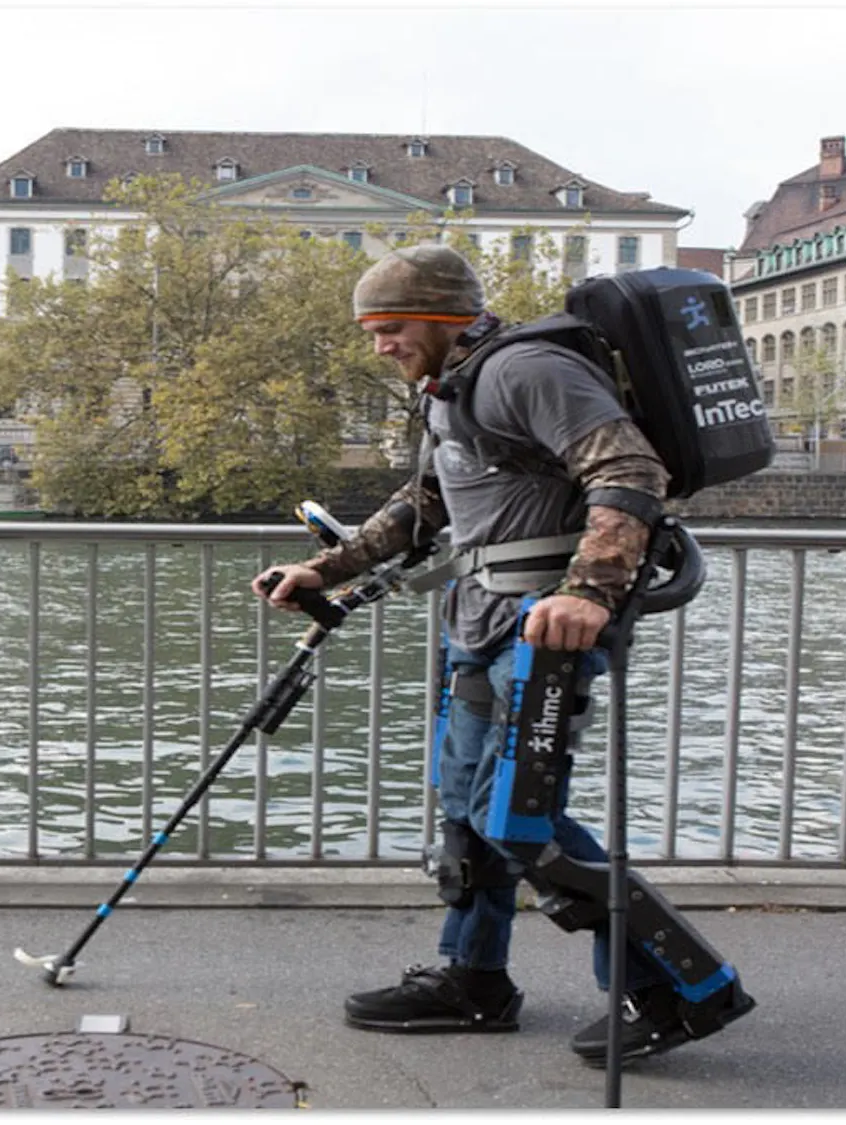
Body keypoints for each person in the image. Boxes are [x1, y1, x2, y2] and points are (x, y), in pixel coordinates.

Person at [252, 244, 729, 1064]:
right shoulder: (454, 391)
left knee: (520, 821)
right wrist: (323, 568)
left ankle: (682, 986)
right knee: (465, 816)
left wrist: (589, 591)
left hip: (544, 630)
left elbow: (629, 466)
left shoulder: (525, 371)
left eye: (391, 328)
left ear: (442, 318)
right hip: (479, 623)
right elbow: (428, 502)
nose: (380, 346)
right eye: (371, 331)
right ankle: (473, 980)